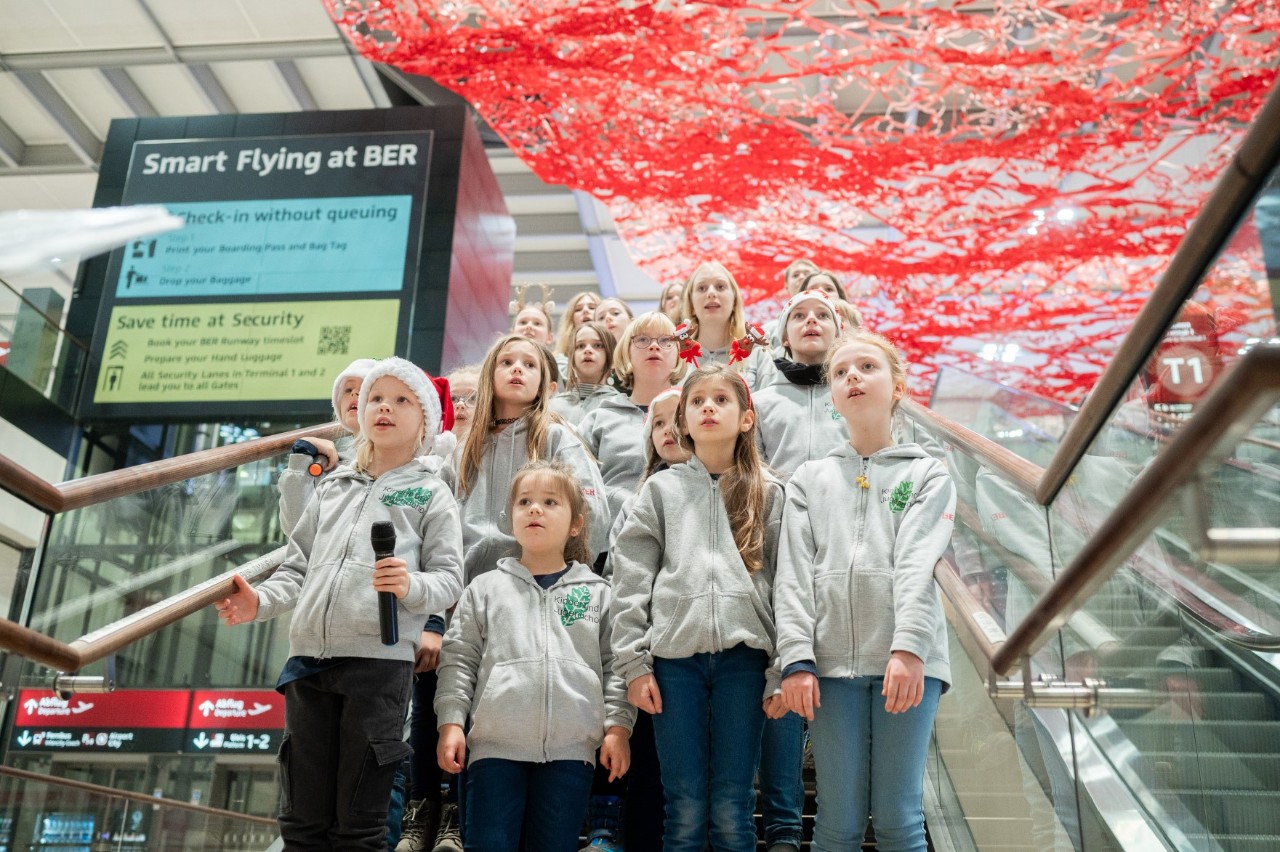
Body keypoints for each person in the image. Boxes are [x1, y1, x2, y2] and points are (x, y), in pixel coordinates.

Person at [215, 357, 465, 851]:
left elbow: (450, 579)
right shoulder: (331, 487)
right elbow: (296, 567)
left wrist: (409, 586)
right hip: (308, 663)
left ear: (426, 419)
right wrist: (259, 602)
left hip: (379, 667)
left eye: (401, 400)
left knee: (361, 824)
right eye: (375, 398)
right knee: (301, 823)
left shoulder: (432, 493)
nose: (383, 408)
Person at [774, 331, 954, 852]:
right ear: (831, 395)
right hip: (828, 667)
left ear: (897, 387)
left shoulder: (928, 473)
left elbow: (918, 563)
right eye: (840, 372)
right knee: (836, 821)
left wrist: (908, 646)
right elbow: (794, 575)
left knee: (899, 819)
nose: (852, 377)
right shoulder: (809, 479)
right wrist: (797, 658)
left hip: (908, 662)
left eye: (867, 367)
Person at [612, 363, 784, 852]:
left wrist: (780, 669)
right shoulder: (660, 491)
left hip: (744, 662)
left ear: (746, 418)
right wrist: (633, 664)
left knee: (732, 805)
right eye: (697, 401)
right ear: (682, 421)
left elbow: (787, 585)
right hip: (673, 665)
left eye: (722, 400)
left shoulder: (769, 492)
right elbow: (630, 582)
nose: (709, 407)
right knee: (684, 805)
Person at [435, 460, 635, 852]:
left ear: (576, 524)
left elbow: (616, 668)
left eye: (549, 502)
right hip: (493, 751)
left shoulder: (598, 593)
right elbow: (459, 661)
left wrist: (618, 728)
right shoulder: (484, 589)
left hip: (571, 756)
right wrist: (450, 724)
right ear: (510, 519)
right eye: (524, 501)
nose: (535, 509)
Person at [456, 334, 610, 584]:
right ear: (489, 377)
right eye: (506, 362)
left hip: (539, 583)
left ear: (543, 385)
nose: (517, 368)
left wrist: (561, 575)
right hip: (463, 590)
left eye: (530, 365)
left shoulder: (557, 437)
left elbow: (593, 514)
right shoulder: (465, 448)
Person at [578, 312, 685, 529]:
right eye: (642, 340)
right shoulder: (600, 417)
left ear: (678, 355)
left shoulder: (693, 415)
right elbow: (577, 482)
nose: (654, 347)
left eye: (665, 341)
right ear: (626, 353)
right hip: (608, 543)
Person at [754, 289, 848, 480]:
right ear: (785, 338)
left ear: (838, 335)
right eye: (799, 315)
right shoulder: (759, 404)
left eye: (823, 315)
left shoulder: (854, 396)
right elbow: (755, 475)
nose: (811, 320)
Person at [278, 357, 376, 533]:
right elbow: (295, 528)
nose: (354, 394)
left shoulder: (414, 464)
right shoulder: (325, 465)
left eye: (365, 388)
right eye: (348, 389)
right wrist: (301, 455)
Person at [678, 262, 770, 389]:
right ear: (691, 304)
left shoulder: (757, 354)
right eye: (701, 288)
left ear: (734, 301)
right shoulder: (674, 357)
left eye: (720, 287)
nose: (711, 293)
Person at [550, 321, 620, 427]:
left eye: (597, 345)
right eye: (581, 346)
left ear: (612, 358)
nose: (587, 350)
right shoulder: (551, 406)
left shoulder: (619, 405)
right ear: (572, 357)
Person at [763, 260, 819, 347]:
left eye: (807, 274)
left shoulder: (839, 321)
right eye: (795, 275)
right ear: (786, 285)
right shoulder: (769, 331)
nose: (801, 277)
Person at [555, 291, 602, 360]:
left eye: (592, 308)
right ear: (571, 319)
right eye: (578, 309)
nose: (585, 310)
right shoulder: (560, 361)